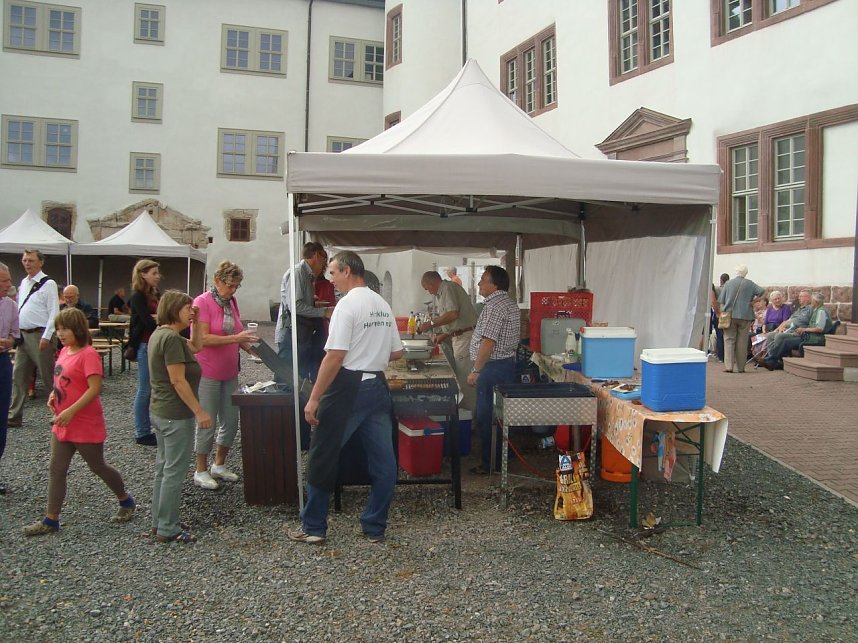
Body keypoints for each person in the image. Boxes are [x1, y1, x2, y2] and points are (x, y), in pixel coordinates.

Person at [288, 251, 402, 545]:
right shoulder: (381, 303)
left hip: (349, 386)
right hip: (377, 385)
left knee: (323, 454)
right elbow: (396, 351)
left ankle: (313, 527)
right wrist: (371, 351)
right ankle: (374, 526)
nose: (331, 279)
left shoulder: (346, 305)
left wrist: (313, 398)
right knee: (384, 461)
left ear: (348, 271)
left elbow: (335, 356)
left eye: (334, 273)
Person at [23, 308, 135, 536]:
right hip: (63, 422)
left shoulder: (88, 354)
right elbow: (62, 379)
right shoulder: (64, 350)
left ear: (78, 329)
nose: (61, 333)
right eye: (59, 328)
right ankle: (51, 519)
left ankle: (125, 500)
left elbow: (95, 389)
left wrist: (71, 411)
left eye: (65, 329)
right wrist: (54, 396)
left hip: (84, 422)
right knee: (56, 469)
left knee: (97, 466)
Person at [148, 290, 211, 544]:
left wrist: (195, 322)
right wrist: (199, 410)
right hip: (175, 414)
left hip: (161, 412)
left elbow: (196, 346)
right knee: (174, 471)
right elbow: (178, 380)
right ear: (174, 309)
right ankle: (168, 528)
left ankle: (160, 520)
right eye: (187, 308)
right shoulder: (171, 340)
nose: (191, 311)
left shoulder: (164, 335)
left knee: (163, 469)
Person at [191, 261, 258, 490]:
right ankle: (200, 469)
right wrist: (236, 340)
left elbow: (237, 331)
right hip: (208, 371)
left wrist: (250, 347)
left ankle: (218, 464)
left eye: (237, 286)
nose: (233, 290)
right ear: (218, 281)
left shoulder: (231, 303)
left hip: (230, 371)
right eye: (230, 285)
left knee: (230, 420)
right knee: (207, 420)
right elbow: (203, 339)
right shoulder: (202, 302)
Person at [467, 266, 521, 474]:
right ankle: (501, 458)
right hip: (505, 364)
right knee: (501, 415)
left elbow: (488, 343)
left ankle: (490, 464)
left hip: (492, 367)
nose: (479, 283)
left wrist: (476, 370)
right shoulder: (506, 302)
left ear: (494, 284)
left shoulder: (495, 306)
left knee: (487, 416)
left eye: (482, 280)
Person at [7, 249, 59, 428]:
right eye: (24, 260)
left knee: (48, 378)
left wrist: (47, 336)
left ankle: (59, 414)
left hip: (39, 334)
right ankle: (14, 416)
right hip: (23, 335)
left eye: (30, 260)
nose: (27, 263)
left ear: (40, 262)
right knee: (19, 375)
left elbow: (54, 312)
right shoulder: (24, 282)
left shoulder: (48, 283)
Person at [417, 270, 478, 411]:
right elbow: (453, 321)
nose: (429, 292)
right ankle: (467, 414)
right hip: (459, 337)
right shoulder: (443, 292)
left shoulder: (448, 288)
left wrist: (431, 323)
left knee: (465, 380)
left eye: (427, 288)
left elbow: (453, 314)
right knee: (461, 377)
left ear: (432, 283)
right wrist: (442, 335)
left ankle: (469, 418)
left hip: (465, 337)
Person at [274, 242, 331, 380]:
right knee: (288, 375)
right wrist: (324, 312)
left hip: (301, 333)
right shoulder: (298, 272)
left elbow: (298, 300)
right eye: (324, 259)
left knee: (300, 374)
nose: (324, 264)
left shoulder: (306, 274)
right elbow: (295, 306)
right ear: (317, 255)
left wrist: (313, 302)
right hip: (293, 332)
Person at [129, 259, 161, 446]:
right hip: (144, 345)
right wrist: (159, 318)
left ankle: (150, 427)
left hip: (155, 344)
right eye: (154, 273)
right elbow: (147, 322)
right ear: (143, 274)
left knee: (154, 388)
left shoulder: (155, 294)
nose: (157, 276)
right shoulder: (138, 296)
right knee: (144, 390)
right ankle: (141, 431)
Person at [756, 291, 830, 370]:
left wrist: (803, 329)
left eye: (801, 296)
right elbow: (787, 321)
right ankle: (773, 361)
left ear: (810, 299)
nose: (799, 298)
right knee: (771, 335)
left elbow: (818, 327)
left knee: (780, 337)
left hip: (806, 335)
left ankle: (771, 360)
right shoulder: (802, 309)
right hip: (794, 331)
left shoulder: (815, 310)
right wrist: (778, 329)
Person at [717, 265, 764, 374]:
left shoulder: (728, 283)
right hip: (746, 315)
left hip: (730, 315)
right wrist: (754, 301)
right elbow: (763, 292)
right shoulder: (750, 284)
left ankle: (728, 366)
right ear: (745, 273)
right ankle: (741, 367)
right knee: (742, 341)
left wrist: (721, 312)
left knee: (729, 340)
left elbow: (722, 300)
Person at [0, 262, 20, 495]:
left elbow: (15, 336)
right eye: (4, 281)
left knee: (1, 419)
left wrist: (9, 342)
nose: (9, 284)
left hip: (3, 362)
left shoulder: (11, 306)